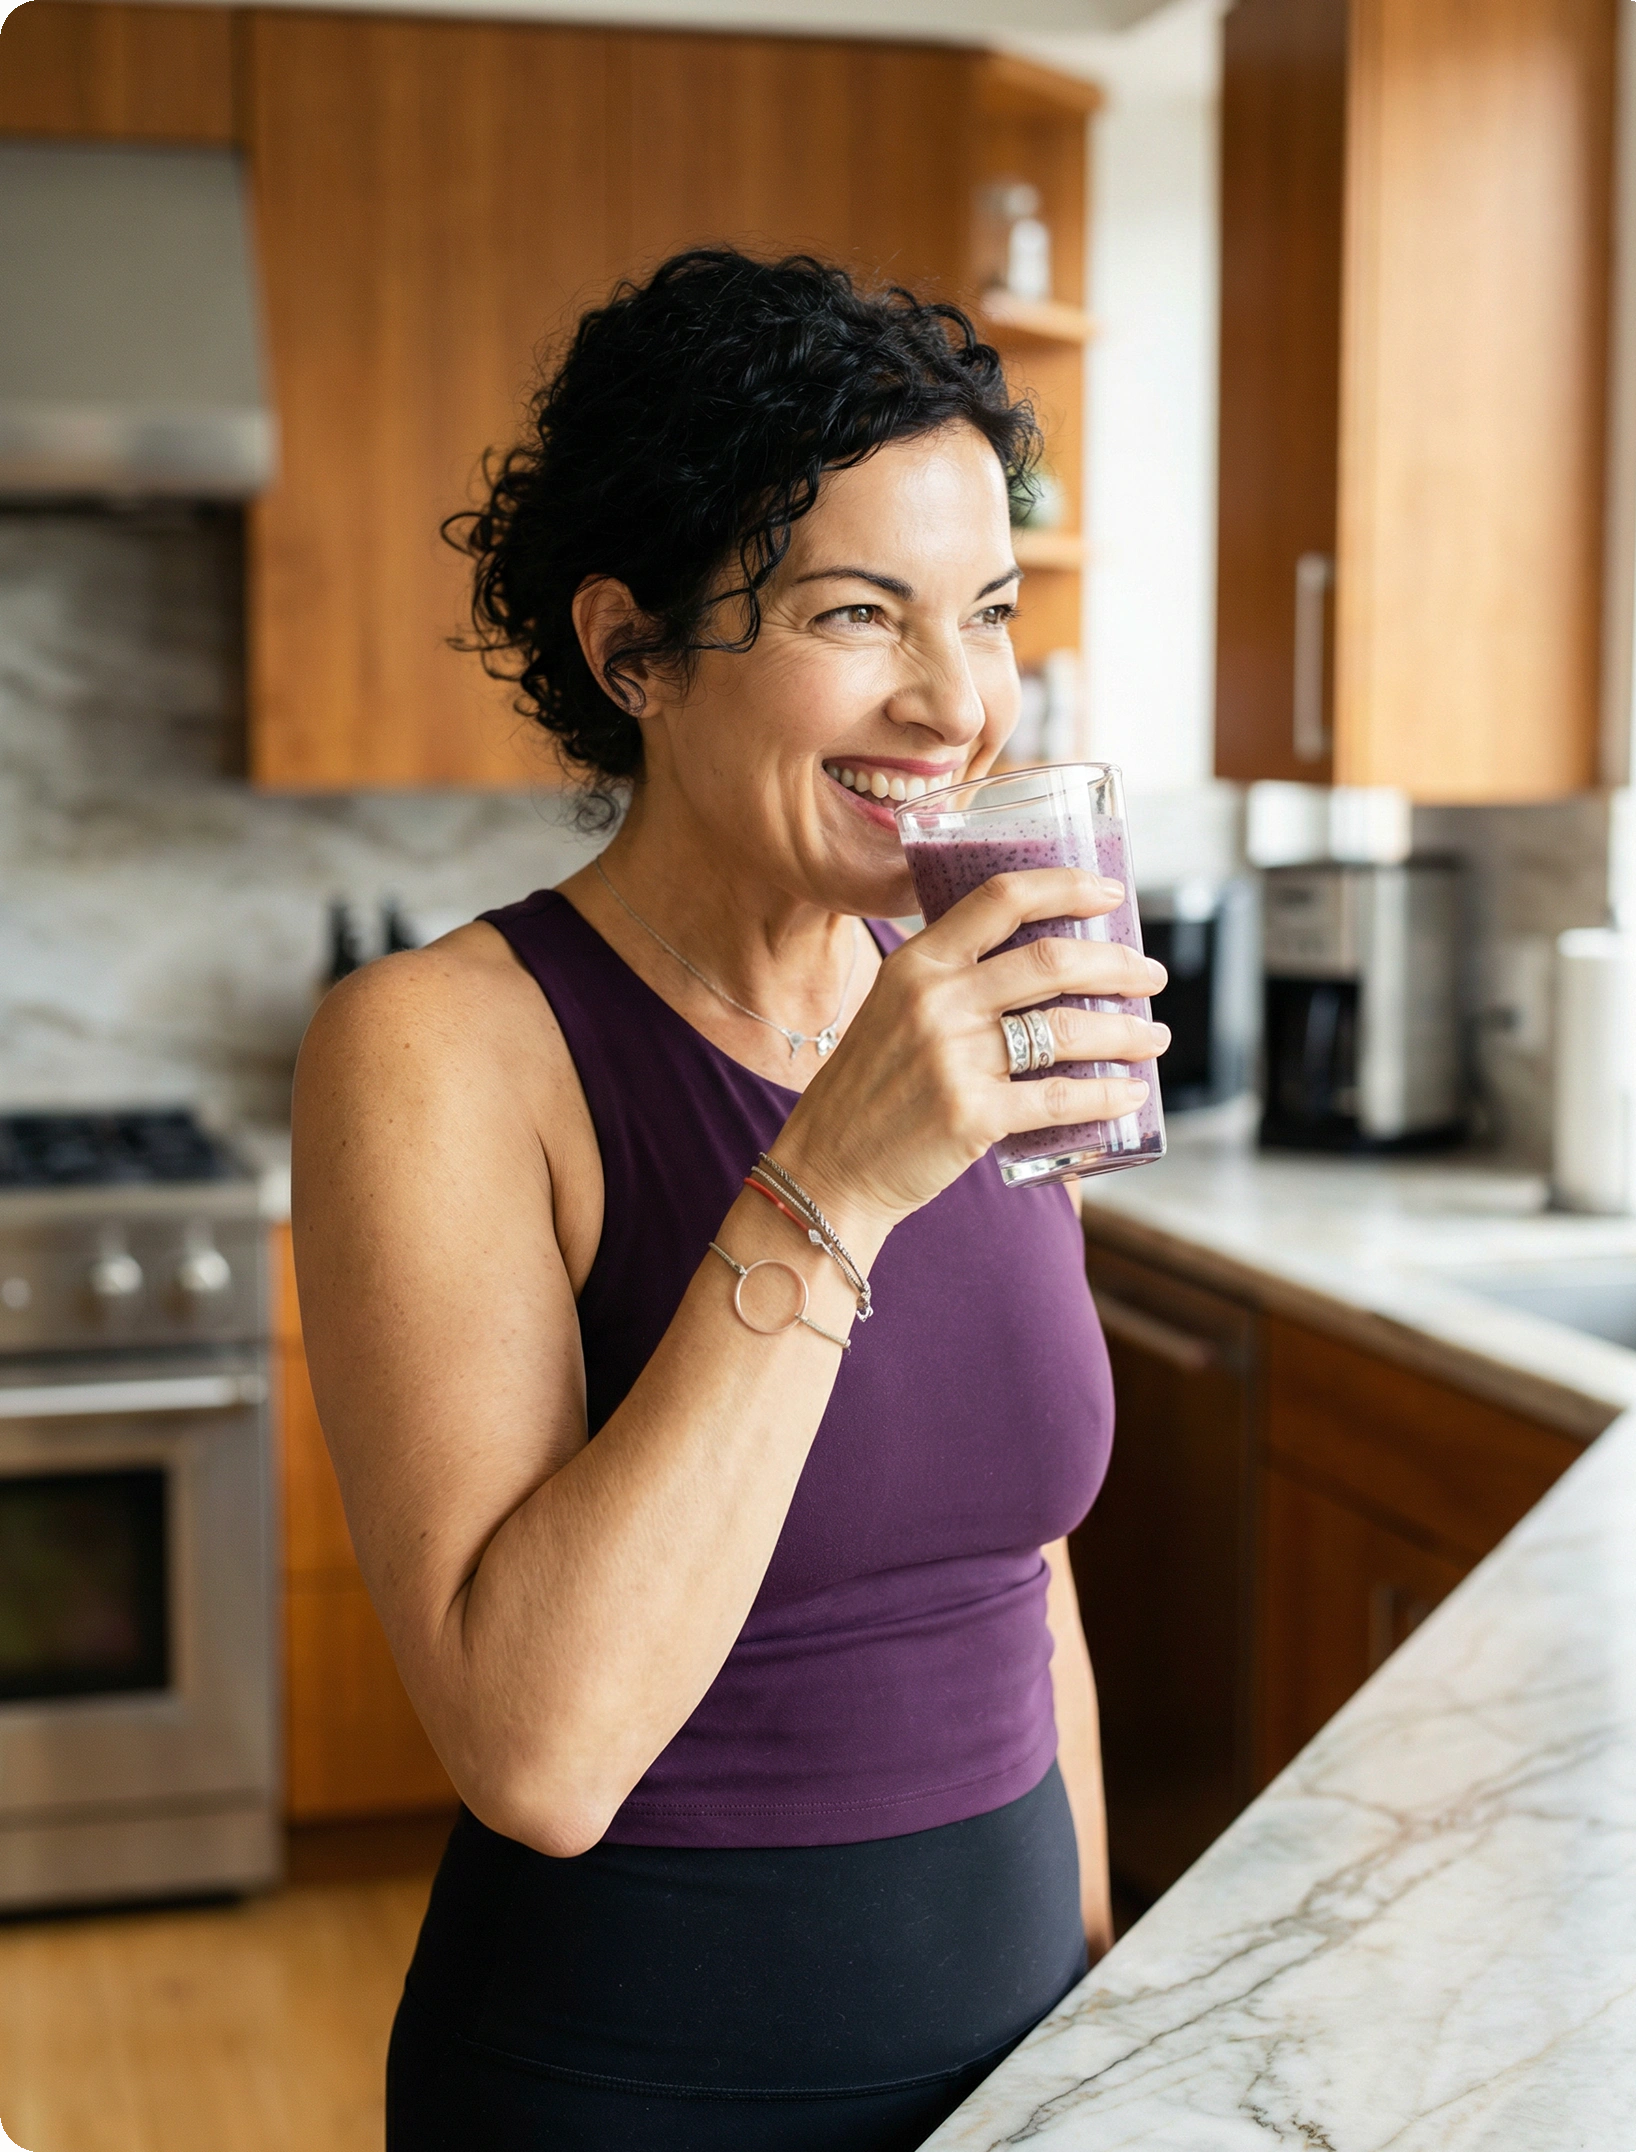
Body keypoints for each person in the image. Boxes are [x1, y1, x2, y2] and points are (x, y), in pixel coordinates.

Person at [291, 248, 1170, 2152]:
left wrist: (1093, 1977)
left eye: (992, 612)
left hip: (1018, 2066)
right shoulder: (439, 1052)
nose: (956, 706)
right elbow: (535, 1749)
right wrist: (835, 1177)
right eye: (864, 614)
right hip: (635, 2093)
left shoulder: (976, 995)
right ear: (632, 649)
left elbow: (1024, 1567)